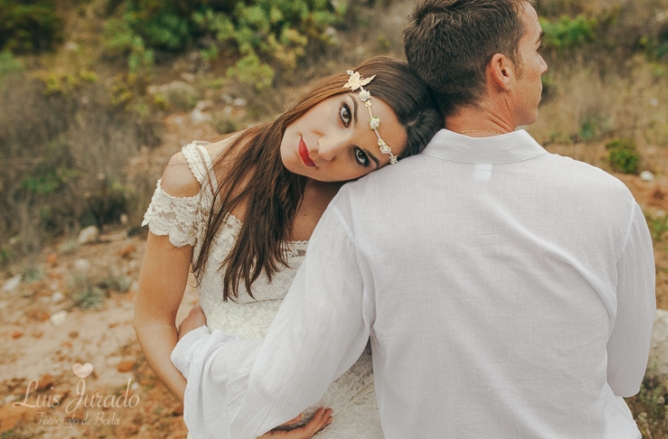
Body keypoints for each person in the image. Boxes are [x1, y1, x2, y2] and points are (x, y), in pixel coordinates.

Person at [171, 0, 656, 439]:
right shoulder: (609, 200)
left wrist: (195, 348)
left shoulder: (363, 210)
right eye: (538, 47)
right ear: (502, 71)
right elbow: (624, 376)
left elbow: (281, 381)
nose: (544, 64)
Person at [134, 56, 443, 438]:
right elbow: (152, 320)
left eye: (360, 156)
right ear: (339, 84)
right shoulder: (195, 178)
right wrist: (230, 422)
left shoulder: (365, 203)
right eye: (345, 115)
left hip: (365, 417)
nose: (327, 150)